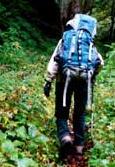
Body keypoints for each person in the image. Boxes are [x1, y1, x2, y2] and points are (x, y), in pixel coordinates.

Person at [43, 14, 103, 157]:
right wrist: (92, 74)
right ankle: (79, 147)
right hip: (84, 80)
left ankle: (65, 137)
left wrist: (48, 81)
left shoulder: (65, 40)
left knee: (62, 111)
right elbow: (100, 62)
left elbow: (55, 61)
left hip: (64, 79)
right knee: (80, 113)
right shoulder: (88, 43)